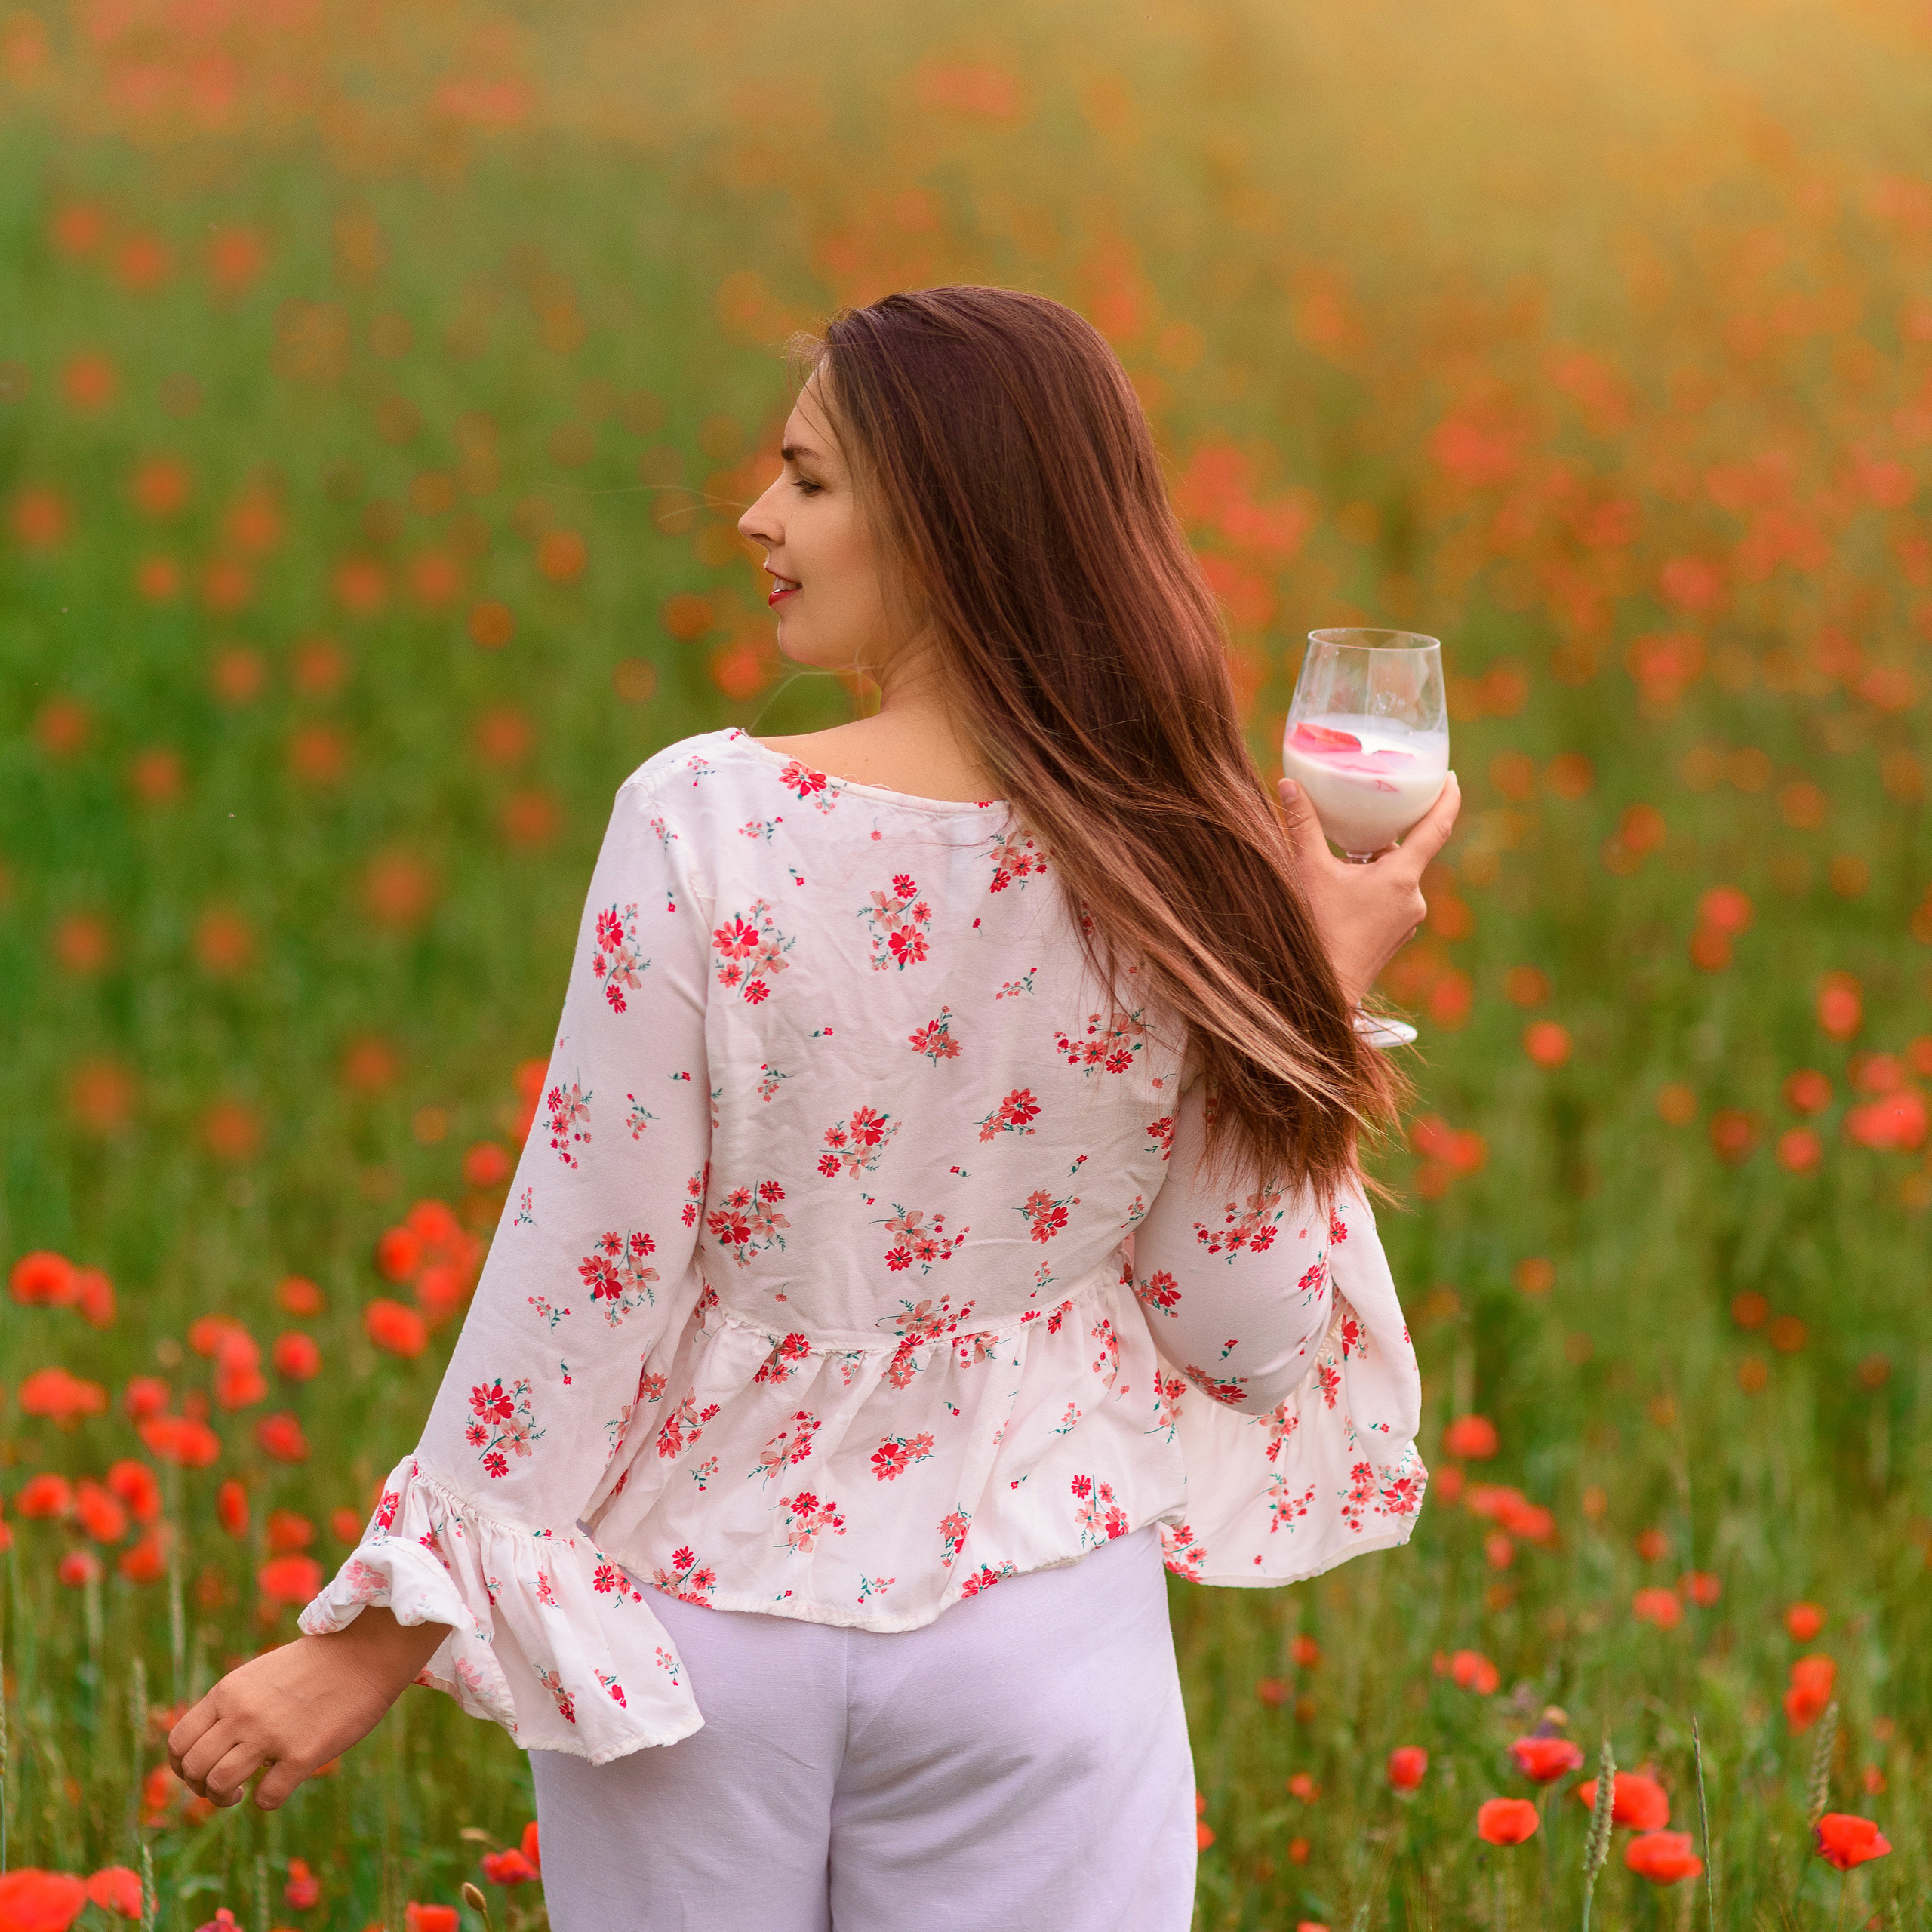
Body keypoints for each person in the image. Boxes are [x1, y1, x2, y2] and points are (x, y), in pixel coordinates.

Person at [168, 285, 1460, 1930]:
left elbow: (586, 1274)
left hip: (704, 1637)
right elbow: (1241, 1336)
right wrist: (1316, 997)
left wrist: (372, 1640)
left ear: (943, 515)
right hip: (1036, 1630)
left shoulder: (704, 820)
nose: (754, 516)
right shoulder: (1193, 853)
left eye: (809, 478)